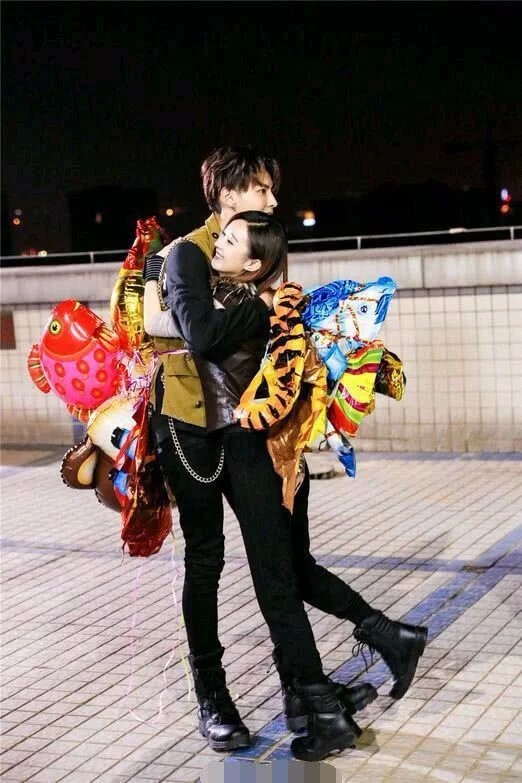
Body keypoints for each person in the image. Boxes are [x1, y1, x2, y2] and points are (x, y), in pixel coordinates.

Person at [144, 145, 428, 756]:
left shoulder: (262, 245)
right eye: (261, 189)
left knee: (277, 564)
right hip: (190, 428)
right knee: (206, 562)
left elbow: (281, 339)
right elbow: (200, 332)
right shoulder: (189, 253)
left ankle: (308, 694)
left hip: (251, 427)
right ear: (228, 194)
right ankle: (214, 697)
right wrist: (264, 307)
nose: (273, 199)